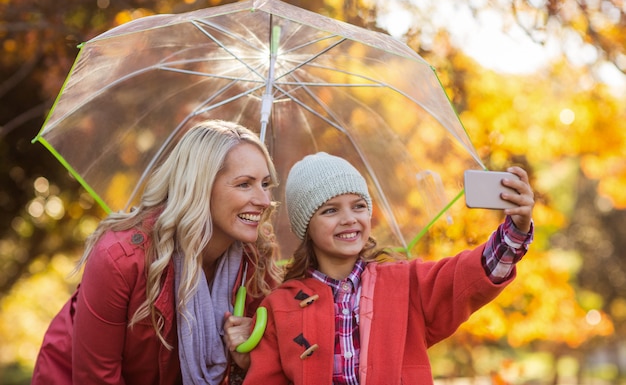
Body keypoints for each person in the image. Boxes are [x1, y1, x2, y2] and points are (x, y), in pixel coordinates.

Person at [242, 152, 535, 385]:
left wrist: (516, 230)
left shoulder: (406, 284)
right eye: (330, 210)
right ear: (306, 226)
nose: (349, 219)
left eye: (358, 206)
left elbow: (470, 274)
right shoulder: (279, 307)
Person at [32, 120, 283, 385]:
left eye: (265, 184)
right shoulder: (120, 257)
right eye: (245, 184)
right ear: (198, 185)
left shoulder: (256, 255)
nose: (264, 200)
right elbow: (96, 378)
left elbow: (272, 371)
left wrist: (248, 360)